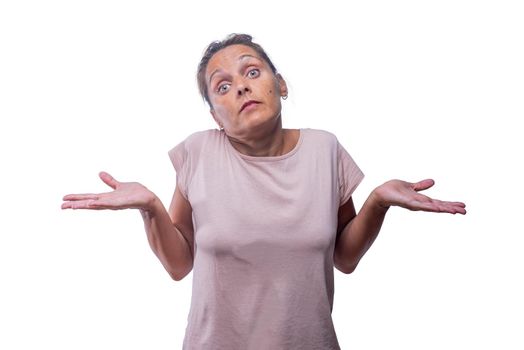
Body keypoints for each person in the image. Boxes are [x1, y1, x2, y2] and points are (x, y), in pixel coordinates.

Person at [62, 33, 466, 350]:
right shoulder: (198, 152)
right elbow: (179, 265)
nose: (240, 87)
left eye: (251, 72)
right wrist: (150, 207)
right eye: (222, 87)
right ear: (215, 116)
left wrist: (377, 202)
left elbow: (344, 258)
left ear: (281, 84)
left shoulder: (325, 149)